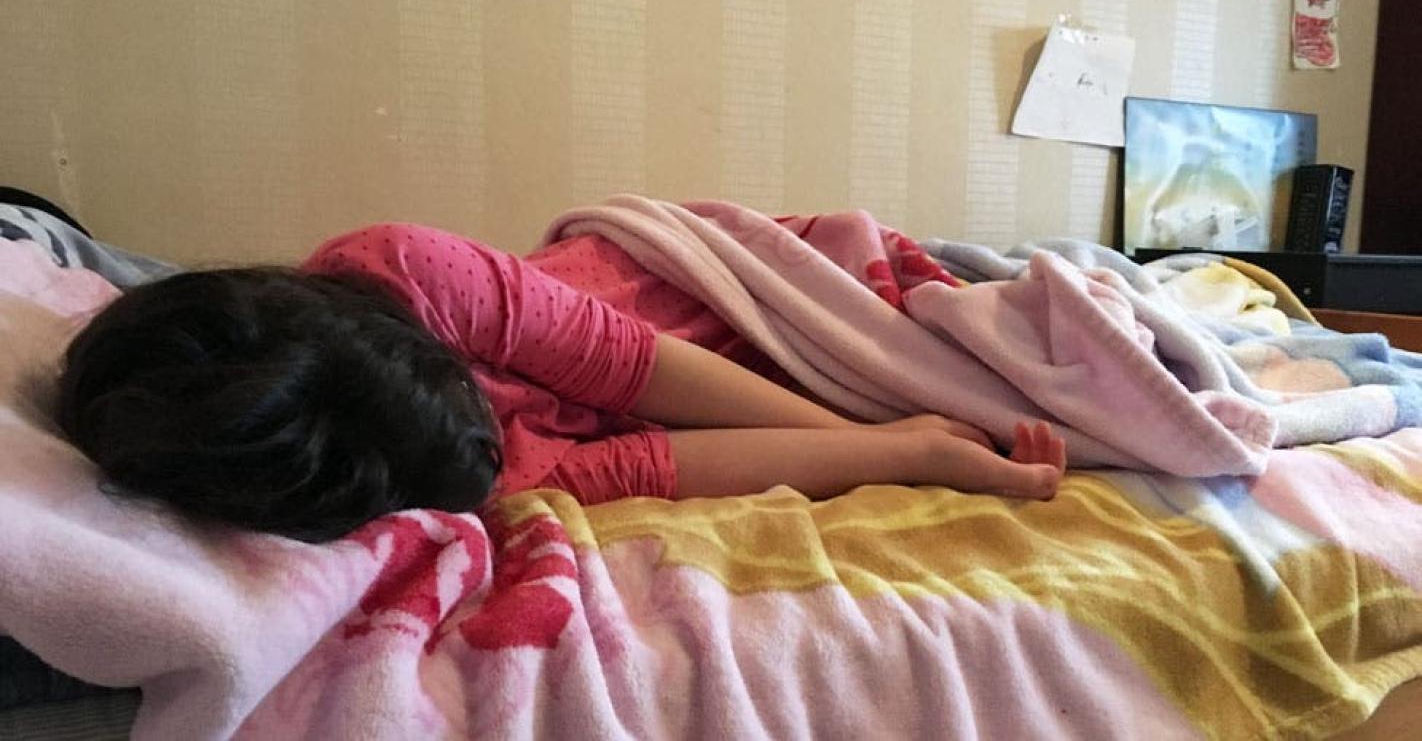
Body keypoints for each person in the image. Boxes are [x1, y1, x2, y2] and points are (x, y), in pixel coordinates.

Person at [56, 223, 1066, 543]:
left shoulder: (405, 268)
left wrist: (862, 420)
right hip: (650, 404)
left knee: (941, 306)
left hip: (672, 320)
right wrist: (902, 453)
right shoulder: (442, 480)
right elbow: (657, 465)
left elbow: (637, 364)